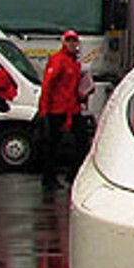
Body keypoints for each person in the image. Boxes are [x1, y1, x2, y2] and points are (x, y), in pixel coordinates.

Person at [36, 30, 89, 189]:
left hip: (72, 108)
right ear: (64, 42)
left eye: (74, 41)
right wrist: (44, 110)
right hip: (57, 110)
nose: (72, 44)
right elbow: (47, 85)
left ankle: (71, 175)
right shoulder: (58, 60)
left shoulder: (74, 62)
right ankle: (49, 178)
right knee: (52, 145)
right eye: (69, 41)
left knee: (82, 142)